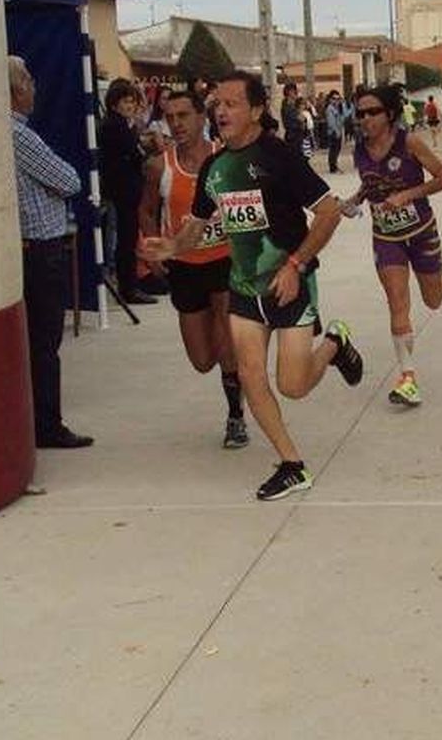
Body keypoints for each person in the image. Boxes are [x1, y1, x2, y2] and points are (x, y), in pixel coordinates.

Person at [142, 71, 362, 501]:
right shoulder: (216, 167)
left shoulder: (279, 157)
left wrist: (295, 264)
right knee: (249, 374)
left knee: (293, 386)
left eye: (232, 104)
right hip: (243, 288)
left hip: (290, 285)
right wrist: (172, 246)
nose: (221, 112)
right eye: (217, 105)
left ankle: (335, 344)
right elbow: (197, 226)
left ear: (257, 110)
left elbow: (328, 213)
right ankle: (292, 465)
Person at [145, 88, 248, 449]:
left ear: (202, 117)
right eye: (170, 117)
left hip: (225, 260)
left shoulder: (227, 157)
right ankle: (232, 356)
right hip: (185, 267)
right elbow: (145, 210)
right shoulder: (159, 166)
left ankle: (236, 415)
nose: (177, 124)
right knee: (203, 360)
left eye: (184, 115)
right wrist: (152, 250)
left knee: (228, 337)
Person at [342, 83, 442, 407]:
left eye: (372, 112)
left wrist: (408, 195)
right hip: (386, 237)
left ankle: (440, 271)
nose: (365, 119)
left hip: (421, 231)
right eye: (360, 113)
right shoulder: (360, 149)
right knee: (397, 300)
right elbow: (370, 184)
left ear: (390, 114)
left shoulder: (409, 142)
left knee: (433, 301)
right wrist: (353, 201)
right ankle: (408, 378)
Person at [9, 55, 92, 450]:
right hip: (41, 249)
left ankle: (37, 420)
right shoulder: (19, 135)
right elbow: (69, 180)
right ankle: (47, 424)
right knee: (44, 342)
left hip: (30, 248)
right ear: (16, 90)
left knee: (36, 341)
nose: (34, 88)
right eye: (29, 81)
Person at [98, 77, 155, 306]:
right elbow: (135, 153)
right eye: (126, 101)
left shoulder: (120, 125)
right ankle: (128, 288)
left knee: (128, 239)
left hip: (125, 189)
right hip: (122, 191)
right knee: (125, 240)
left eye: (132, 101)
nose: (130, 106)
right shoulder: (116, 126)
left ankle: (130, 284)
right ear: (115, 103)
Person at [323, 90, 347, 174]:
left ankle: (335, 165)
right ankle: (333, 167)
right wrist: (336, 132)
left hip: (339, 131)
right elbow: (331, 122)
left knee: (337, 149)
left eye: (338, 99)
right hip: (333, 132)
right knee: (333, 150)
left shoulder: (338, 108)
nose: (336, 101)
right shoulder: (330, 109)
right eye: (334, 98)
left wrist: (343, 106)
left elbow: (344, 117)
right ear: (330, 99)